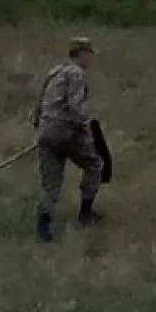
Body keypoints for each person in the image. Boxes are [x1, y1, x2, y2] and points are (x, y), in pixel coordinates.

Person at [29, 37, 104, 243]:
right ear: (81, 54)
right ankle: (85, 214)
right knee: (95, 165)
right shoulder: (76, 74)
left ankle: (43, 229)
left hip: (47, 132)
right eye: (89, 53)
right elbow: (74, 107)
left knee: (50, 184)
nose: (91, 58)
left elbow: (39, 103)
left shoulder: (54, 72)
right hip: (67, 132)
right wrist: (85, 127)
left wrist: (40, 125)